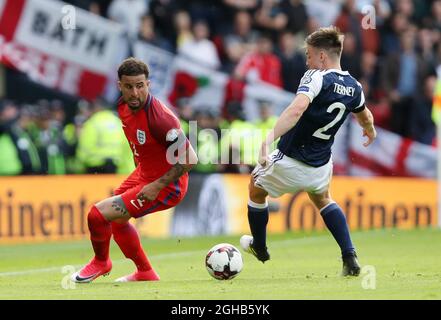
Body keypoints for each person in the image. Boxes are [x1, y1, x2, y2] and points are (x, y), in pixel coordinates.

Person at [240, 26, 377, 276]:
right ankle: (349, 255)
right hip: (321, 166)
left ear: (322, 57)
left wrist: (267, 139)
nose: (307, 61)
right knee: (322, 198)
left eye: (309, 55)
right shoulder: (355, 86)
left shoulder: (316, 77)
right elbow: (364, 114)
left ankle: (259, 246)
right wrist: (370, 129)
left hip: (289, 160)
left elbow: (296, 110)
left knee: (255, 189)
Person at [72, 57, 198, 283]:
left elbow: (190, 158)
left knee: (97, 214)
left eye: (140, 86)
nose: (135, 92)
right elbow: (138, 140)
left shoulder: (161, 119)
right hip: (144, 174)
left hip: (167, 185)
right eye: (129, 86)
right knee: (117, 221)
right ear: (120, 86)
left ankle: (102, 262)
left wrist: (156, 185)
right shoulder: (122, 106)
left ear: (148, 84)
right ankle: (145, 272)